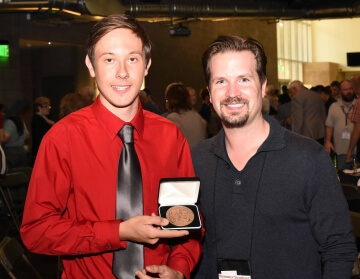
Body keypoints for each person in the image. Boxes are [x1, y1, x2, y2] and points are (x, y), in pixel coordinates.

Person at [20, 14, 203, 279]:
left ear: (147, 65)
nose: (122, 72)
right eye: (109, 59)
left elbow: (188, 222)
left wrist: (178, 269)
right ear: (91, 65)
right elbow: (36, 231)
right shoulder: (63, 138)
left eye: (132, 58)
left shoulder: (170, 136)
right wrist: (118, 231)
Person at [191, 35, 356, 278]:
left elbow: (338, 248)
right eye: (221, 81)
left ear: (263, 85)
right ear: (209, 91)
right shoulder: (195, 159)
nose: (232, 92)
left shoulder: (308, 159)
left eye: (244, 79)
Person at [324, 79, 356, 169]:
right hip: (339, 150)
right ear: (340, 91)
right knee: (341, 177)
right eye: (345, 90)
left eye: (350, 89)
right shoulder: (334, 106)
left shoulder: (358, 105)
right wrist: (327, 141)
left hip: (356, 151)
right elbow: (329, 126)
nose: (348, 92)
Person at [165, 82, 207, 148]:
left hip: (185, 157)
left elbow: (169, 146)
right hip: (201, 156)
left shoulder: (173, 118)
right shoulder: (197, 116)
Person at [288, 80, 326, 145]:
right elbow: (324, 114)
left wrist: (295, 136)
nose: (290, 94)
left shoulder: (297, 97)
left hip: (306, 134)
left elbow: (298, 119)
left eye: (290, 92)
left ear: (294, 89)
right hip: (320, 133)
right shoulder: (317, 95)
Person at [2, 96, 30, 168]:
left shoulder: (8, 122)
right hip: (22, 152)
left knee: (11, 177)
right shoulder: (20, 121)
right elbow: (27, 135)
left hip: (11, 153)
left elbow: (6, 138)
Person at [31, 96, 54, 160]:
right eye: (46, 106)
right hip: (41, 151)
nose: (48, 108)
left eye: (49, 106)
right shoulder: (37, 119)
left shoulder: (45, 119)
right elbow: (39, 138)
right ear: (39, 108)